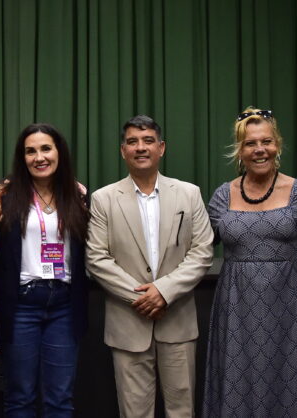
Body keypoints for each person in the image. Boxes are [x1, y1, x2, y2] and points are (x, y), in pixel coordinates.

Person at [201, 107, 297, 417]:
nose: (259, 150)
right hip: (235, 314)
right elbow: (196, 248)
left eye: (267, 141)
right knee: (235, 387)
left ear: (278, 145)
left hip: (289, 314)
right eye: (250, 143)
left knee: (285, 390)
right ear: (239, 150)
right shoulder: (223, 196)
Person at [86, 115, 213, 418]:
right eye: (132, 142)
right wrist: (144, 297)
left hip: (178, 321)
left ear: (161, 147)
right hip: (128, 324)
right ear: (123, 150)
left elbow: (203, 251)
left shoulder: (189, 193)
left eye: (147, 141)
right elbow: (96, 258)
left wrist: (164, 291)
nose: (140, 148)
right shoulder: (103, 199)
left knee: (182, 411)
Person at [0, 123, 90, 418]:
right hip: (21, 305)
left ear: (59, 152)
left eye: (46, 148)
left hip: (64, 305)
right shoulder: (4, 197)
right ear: (22, 158)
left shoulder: (79, 196)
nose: (39, 157)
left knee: (60, 399)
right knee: (20, 397)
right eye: (30, 151)